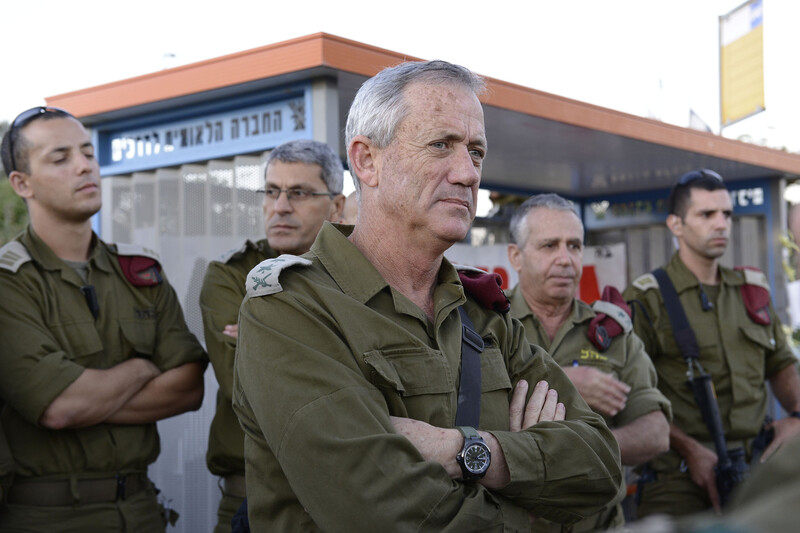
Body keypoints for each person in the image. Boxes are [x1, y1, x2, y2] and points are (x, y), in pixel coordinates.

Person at [232, 60, 622, 531]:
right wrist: (535, 497)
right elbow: (383, 510)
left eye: (476, 152)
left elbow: (600, 467)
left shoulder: (483, 315)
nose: (467, 173)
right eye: (441, 145)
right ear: (366, 160)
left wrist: (469, 451)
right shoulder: (291, 307)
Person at [0, 107, 207, 532]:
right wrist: (141, 368)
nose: (85, 166)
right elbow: (59, 407)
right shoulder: (9, 282)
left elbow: (188, 388)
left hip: (141, 509)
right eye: (60, 159)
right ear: (22, 183)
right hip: (46, 517)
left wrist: (88, 396)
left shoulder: (140, 272)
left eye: (88, 153)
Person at [623, 169, 800, 518]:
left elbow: (780, 363)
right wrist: (690, 449)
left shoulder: (752, 288)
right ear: (676, 225)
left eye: (726, 214)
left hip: (756, 464)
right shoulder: (648, 296)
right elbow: (629, 394)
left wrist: (796, 416)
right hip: (679, 475)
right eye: (707, 214)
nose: (721, 224)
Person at [199, 139, 345, 533]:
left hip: (348, 497)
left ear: (337, 205)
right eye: (272, 191)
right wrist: (339, 344)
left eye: (298, 193)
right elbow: (246, 383)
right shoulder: (230, 274)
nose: (280, 206)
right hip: (252, 498)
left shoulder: (359, 275)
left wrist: (265, 335)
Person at [506, 193, 671, 531]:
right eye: (549, 246)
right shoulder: (486, 324)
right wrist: (564, 384)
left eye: (575, 246)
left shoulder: (612, 331)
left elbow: (656, 433)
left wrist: (575, 449)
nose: (566, 259)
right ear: (516, 256)